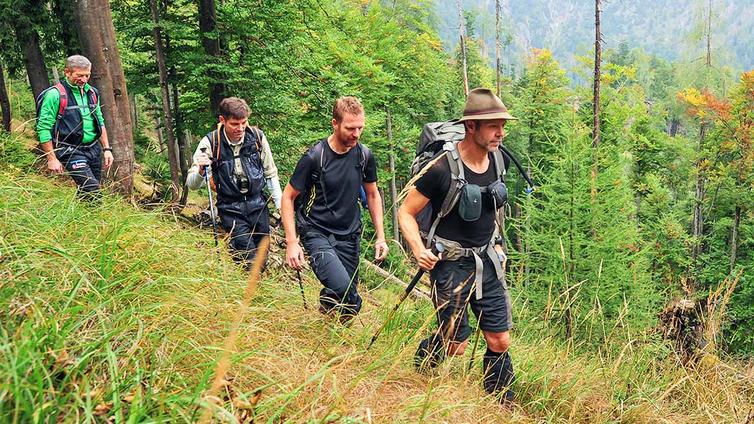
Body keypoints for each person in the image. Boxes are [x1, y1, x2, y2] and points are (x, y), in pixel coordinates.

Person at [397, 88, 516, 404]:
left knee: (500, 340)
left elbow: (493, 207)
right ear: (471, 127)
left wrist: (499, 243)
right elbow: (406, 212)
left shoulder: (499, 160)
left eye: (503, 125)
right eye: (493, 125)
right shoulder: (441, 169)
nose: (500, 133)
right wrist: (418, 248)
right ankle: (425, 362)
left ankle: (500, 403)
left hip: (487, 261)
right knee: (456, 344)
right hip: (449, 263)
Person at [281, 96, 388, 322]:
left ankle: (327, 333)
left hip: (349, 235)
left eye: (360, 128)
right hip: (317, 232)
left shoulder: (364, 155)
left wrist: (381, 237)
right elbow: (288, 197)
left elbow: (372, 194)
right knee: (349, 295)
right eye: (350, 128)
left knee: (346, 308)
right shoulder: (314, 157)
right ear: (335, 123)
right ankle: (328, 319)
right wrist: (292, 242)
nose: (356, 134)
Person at [186, 97, 282, 264]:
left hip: (259, 206)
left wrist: (281, 206)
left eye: (243, 123)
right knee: (247, 257)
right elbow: (191, 184)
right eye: (234, 124)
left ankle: (253, 287)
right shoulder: (210, 143)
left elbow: (270, 173)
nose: (241, 128)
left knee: (261, 257)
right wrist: (201, 170)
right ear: (222, 120)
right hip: (230, 209)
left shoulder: (257, 138)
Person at [37, 55, 112, 196]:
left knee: (87, 191)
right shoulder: (55, 95)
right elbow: (43, 127)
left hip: (93, 149)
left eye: (87, 75)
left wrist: (107, 148)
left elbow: (99, 121)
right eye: (80, 75)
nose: (84, 80)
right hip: (69, 149)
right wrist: (51, 158)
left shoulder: (92, 93)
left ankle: (81, 217)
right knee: (92, 190)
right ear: (67, 72)